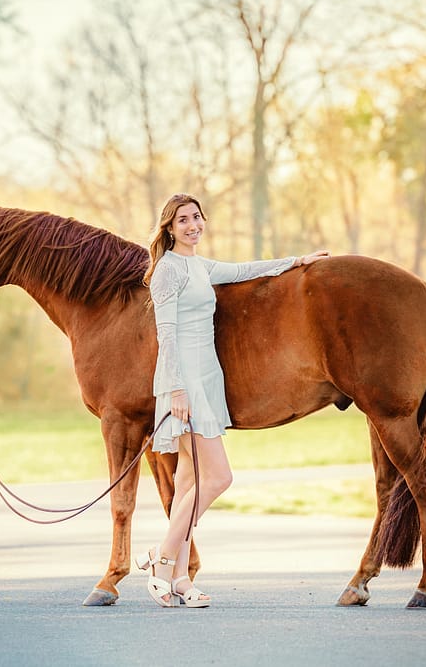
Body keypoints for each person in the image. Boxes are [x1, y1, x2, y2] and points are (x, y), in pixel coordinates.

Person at [136, 192, 330, 608]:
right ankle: (161, 559)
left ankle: (181, 580)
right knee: (219, 477)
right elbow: (165, 335)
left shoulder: (199, 266)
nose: (193, 225)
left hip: (206, 377)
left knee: (189, 480)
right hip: (183, 381)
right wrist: (176, 391)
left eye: (196, 217)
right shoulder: (168, 271)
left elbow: (244, 270)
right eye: (183, 220)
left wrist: (296, 262)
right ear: (169, 228)